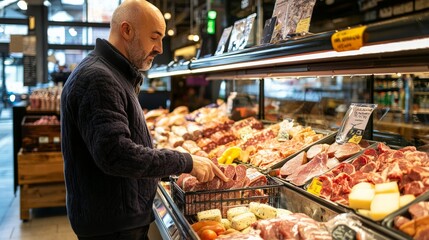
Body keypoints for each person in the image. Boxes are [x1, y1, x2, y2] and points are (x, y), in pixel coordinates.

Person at [60, 0, 228, 239]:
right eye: (154, 37)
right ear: (126, 30)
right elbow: (116, 155)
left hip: (118, 219)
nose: (160, 48)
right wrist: (185, 162)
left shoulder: (113, 73)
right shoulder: (98, 78)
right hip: (112, 226)